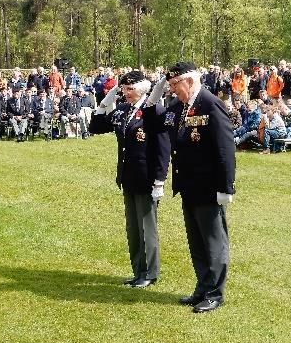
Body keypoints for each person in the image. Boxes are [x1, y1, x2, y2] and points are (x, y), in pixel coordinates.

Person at [143, 62, 236, 313]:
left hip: (208, 186)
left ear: (190, 81)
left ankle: (215, 293)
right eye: (170, 85)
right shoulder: (178, 107)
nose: (172, 90)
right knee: (196, 242)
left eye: (175, 84)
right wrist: (155, 94)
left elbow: (225, 149)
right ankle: (202, 287)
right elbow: (153, 126)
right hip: (188, 186)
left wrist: (226, 186)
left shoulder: (210, 104)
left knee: (213, 241)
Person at [89, 71, 170, 288]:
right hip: (128, 177)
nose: (125, 93)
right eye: (123, 89)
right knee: (133, 229)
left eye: (129, 89)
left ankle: (149, 272)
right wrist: (109, 97)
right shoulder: (124, 110)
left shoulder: (153, 110)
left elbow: (163, 149)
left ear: (142, 89)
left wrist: (159, 181)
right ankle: (138, 271)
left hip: (146, 178)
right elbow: (95, 127)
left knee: (147, 229)